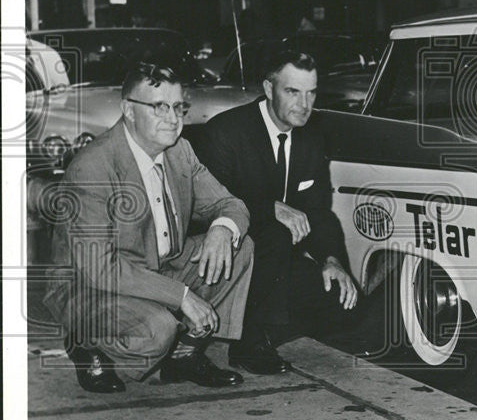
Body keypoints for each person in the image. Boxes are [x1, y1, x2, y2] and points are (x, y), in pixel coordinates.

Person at [44, 63, 254, 393]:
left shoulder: (179, 151)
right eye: (159, 107)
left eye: (178, 107)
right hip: (91, 286)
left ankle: (184, 355)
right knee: (157, 331)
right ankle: (85, 341)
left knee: (240, 247)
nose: (173, 118)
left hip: (159, 264)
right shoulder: (92, 166)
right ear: (128, 110)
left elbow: (231, 205)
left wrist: (222, 230)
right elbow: (100, 268)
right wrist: (182, 297)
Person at [197, 50, 358, 375]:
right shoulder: (227, 132)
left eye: (311, 92)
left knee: (341, 302)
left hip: (276, 253)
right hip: (222, 252)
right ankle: (248, 341)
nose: (304, 104)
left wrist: (332, 261)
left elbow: (318, 212)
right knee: (274, 232)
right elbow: (206, 208)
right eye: (293, 91)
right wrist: (269, 208)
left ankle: (265, 320)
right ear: (269, 89)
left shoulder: (311, 136)